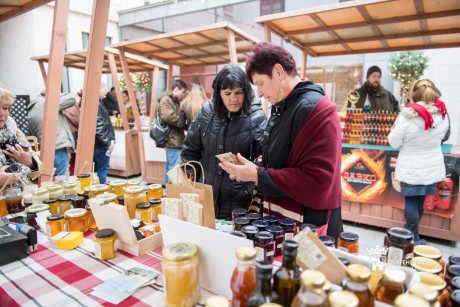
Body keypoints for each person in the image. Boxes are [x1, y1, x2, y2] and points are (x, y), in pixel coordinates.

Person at [219, 42, 343, 240]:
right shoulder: (282, 107)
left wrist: (258, 175)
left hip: (309, 223)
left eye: (260, 83)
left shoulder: (316, 109)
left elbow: (319, 180)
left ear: (278, 71)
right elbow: (279, 161)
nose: (258, 93)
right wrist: (254, 169)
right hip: (286, 219)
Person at [181, 64, 266, 220]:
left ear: (246, 92)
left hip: (241, 202)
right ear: (218, 93)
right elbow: (190, 151)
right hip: (206, 195)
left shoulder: (257, 117)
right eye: (227, 93)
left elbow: (265, 161)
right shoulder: (206, 112)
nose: (233, 99)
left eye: (239, 93)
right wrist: (190, 180)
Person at [388, 79, 449, 245]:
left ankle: (411, 237)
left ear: (413, 94)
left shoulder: (407, 116)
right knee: (420, 202)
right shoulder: (442, 113)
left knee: (411, 203)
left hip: (411, 166)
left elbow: (394, 141)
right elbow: (445, 136)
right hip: (432, 165)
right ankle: (410, 234)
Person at [28, 90, 78, 176]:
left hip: (47, 148)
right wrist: (59, 94)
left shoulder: (34, 107)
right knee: (61, 179)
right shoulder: (47, 104)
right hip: (57, 146)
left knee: (51, 178)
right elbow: (73, 99)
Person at [0, 84, 42, 186]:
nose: (2, 114)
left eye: (5, 108)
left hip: (19, 196)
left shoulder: (13, 130)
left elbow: (37, 170)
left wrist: (30, 163)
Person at [157, 79, 188, 183]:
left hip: (173, 139)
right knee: (174, 168)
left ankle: (169, 192)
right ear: (176, 89)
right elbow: (168, 116)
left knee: (170, 167)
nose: (183, 95)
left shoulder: (172, 100)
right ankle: (172, 193)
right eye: (182, 92)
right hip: (172, 139)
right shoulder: (166, 99)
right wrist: (183, 123)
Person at [94, 82, 116, 184]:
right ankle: (101, 192)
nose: (106, 92)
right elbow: (98, 127)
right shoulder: (96, 103)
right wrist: (107, 143)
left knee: (100, 169)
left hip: (100, 144)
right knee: (102, 170)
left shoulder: (99, 102)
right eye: (104, 89)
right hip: (100, 145)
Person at [63, 90, 82, 176]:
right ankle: (73, 175)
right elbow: (79, 122)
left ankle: (72, 174)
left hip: (70, 135)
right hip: (74, 135)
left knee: (73, 158)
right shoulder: (72, 109)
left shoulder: (66, 108)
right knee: (75, 158)